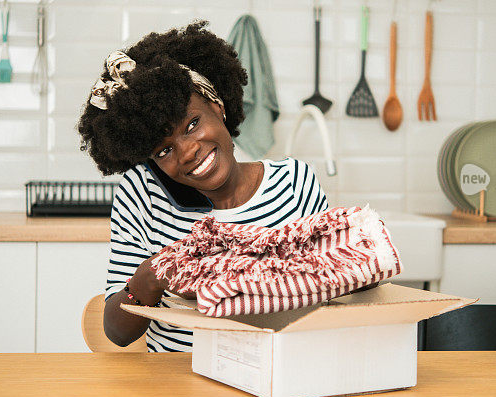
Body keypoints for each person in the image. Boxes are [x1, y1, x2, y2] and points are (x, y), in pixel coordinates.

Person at [77, 22, 329, 352]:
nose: (187, 151)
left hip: (276, 380)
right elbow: (118, 332)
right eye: (163, 150)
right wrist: (156, 273)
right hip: (178, 391)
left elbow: (331, 299)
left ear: (217, 105)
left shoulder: (295, 183)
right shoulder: (143, 194)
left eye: (192, 125)